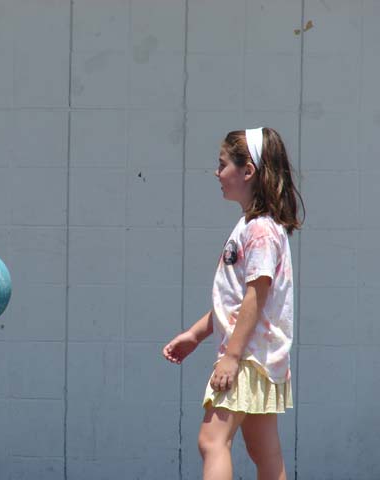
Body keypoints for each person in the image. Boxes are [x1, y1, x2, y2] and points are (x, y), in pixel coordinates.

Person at [163, 127, 304, 480]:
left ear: (248, 171)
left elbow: (256, 296)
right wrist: (195, 334)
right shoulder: (254, 227)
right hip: (259, 358)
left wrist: (231, 356)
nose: (217, 173)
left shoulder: (258, 231)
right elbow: (236, 301)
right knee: (264, 452)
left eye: (223, 164)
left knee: (212, 441)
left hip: (247, 358)